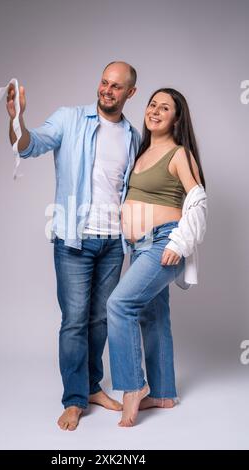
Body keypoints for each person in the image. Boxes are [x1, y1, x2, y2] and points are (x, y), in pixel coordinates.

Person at [6, 62, 140, 431]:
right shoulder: (69, 119)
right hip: (74, 241)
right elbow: (29, 145)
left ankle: (93, 386)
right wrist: (17, 119)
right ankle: (75, 399)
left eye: (116, 87)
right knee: (75, 322)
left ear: (130, 93)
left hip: (113, 244)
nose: (107, 90)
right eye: (103, 82)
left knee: (101, 320)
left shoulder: (132, 135)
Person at [107, 88, 207, 427]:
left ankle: (133, 386)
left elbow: (198, 201)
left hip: (163, 244)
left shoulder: (180, 154)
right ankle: (163, 393)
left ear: (176, 118)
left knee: (119, 306)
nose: (156, 111)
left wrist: (178, 243)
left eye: (165, 107)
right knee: (155, 317)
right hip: (138, 247)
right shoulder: (142, 151)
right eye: (152, 104)